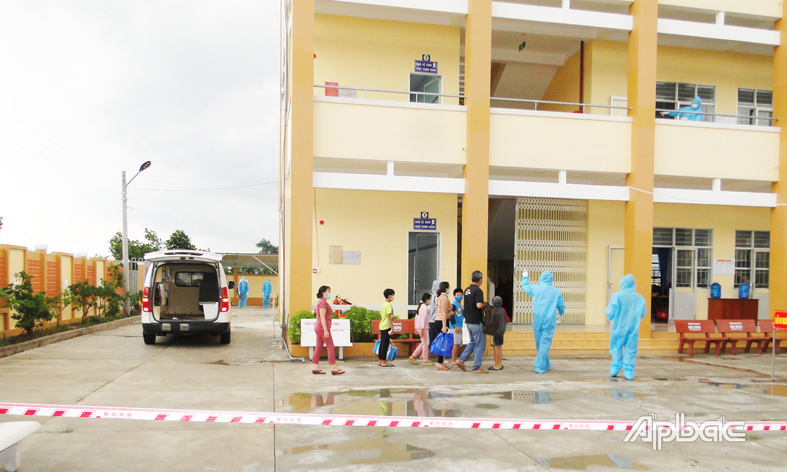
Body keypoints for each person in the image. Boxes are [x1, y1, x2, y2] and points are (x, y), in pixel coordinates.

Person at [521, 270, 565, 374]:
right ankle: (542, 364)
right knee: (545, 341)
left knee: (539, 341)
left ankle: (542, 364)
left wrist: (525, 277)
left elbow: (526, 287)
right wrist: (561, 313)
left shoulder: (536, 288)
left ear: (541, 278)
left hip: (537, 317)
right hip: (549, 318)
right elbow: (561, 305)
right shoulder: (555, 292)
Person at [607, 274, 647, 380]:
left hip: (619, 327)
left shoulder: (618, 296)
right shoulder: (639, 298)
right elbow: (643, 312)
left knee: (616, 346)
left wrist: (611, 316)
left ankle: (615, 367)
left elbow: (610, 312)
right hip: (633, 328)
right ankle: (629, 370)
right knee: (631, 348)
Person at [456, 270, 488, 374]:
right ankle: (476, 367)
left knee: (472, 342)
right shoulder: (478, 291)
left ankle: (461, 360)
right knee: (480, 344)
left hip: (468, 321)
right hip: (476, 321)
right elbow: (479, 305)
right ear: (480, 279)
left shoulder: (467, 290)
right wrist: (485, 304)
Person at [312, 285, 344, 375]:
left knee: (318, 347)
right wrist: (326, 330)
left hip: (319, 327)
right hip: (323, 328)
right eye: (328, 292)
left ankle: (315, 366)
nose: (330, 294)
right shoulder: (323, 303)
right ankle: (334, 367)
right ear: (323, 293)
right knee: (330, 347)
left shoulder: (321, 302)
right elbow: (322, 317)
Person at [430, 281, 452, 371]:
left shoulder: (440, 297)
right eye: (449, 288)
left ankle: (441, 362)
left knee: (443, 341)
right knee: (443, 342)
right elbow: (443, 312)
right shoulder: (444, 298)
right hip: (442, 321)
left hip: (439, 320)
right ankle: (439, 362)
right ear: (446, 289)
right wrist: (444, 326)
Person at [409, 293, 434, 366]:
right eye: (430, 299)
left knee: (424, 342)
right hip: (424, 328)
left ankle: (414, 356)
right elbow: (422, 319)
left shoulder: (421, 307)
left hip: (422, 328)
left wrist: (417, 328)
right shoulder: (424, 307)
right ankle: (425, 360)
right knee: (425, 344)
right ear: (426, 300)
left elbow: (417, 318)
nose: (430, 301)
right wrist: (422, 329)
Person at [489, 295, 507, 371]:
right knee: (499, 347)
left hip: (495, 332)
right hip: (501, 332)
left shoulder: (493, 311)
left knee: (495, 347)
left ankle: (496, 365)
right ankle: (499, 364)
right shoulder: (502, 311)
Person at [378, 288, 395, 367]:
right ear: (389, 296)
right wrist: (391, 327)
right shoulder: (388, 305)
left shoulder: (384, 303)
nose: (394, 297)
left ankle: (380, 360)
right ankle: (383, 361)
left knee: (382, 344)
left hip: (382, 325)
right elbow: (389, 316)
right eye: (393, 295)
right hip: (386, 326)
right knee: (385, 345)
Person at [449, 288, 464, 366]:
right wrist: (455, 326)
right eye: (458, 295)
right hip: (455, 327)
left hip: (459, 326)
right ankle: (453, 359)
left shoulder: (460, 305)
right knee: (456, 343)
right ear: (454, 296)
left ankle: (454, 359)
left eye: (461, 295)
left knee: (457, 344)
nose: (459, 296)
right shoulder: (454, 305)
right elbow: (451, 316)